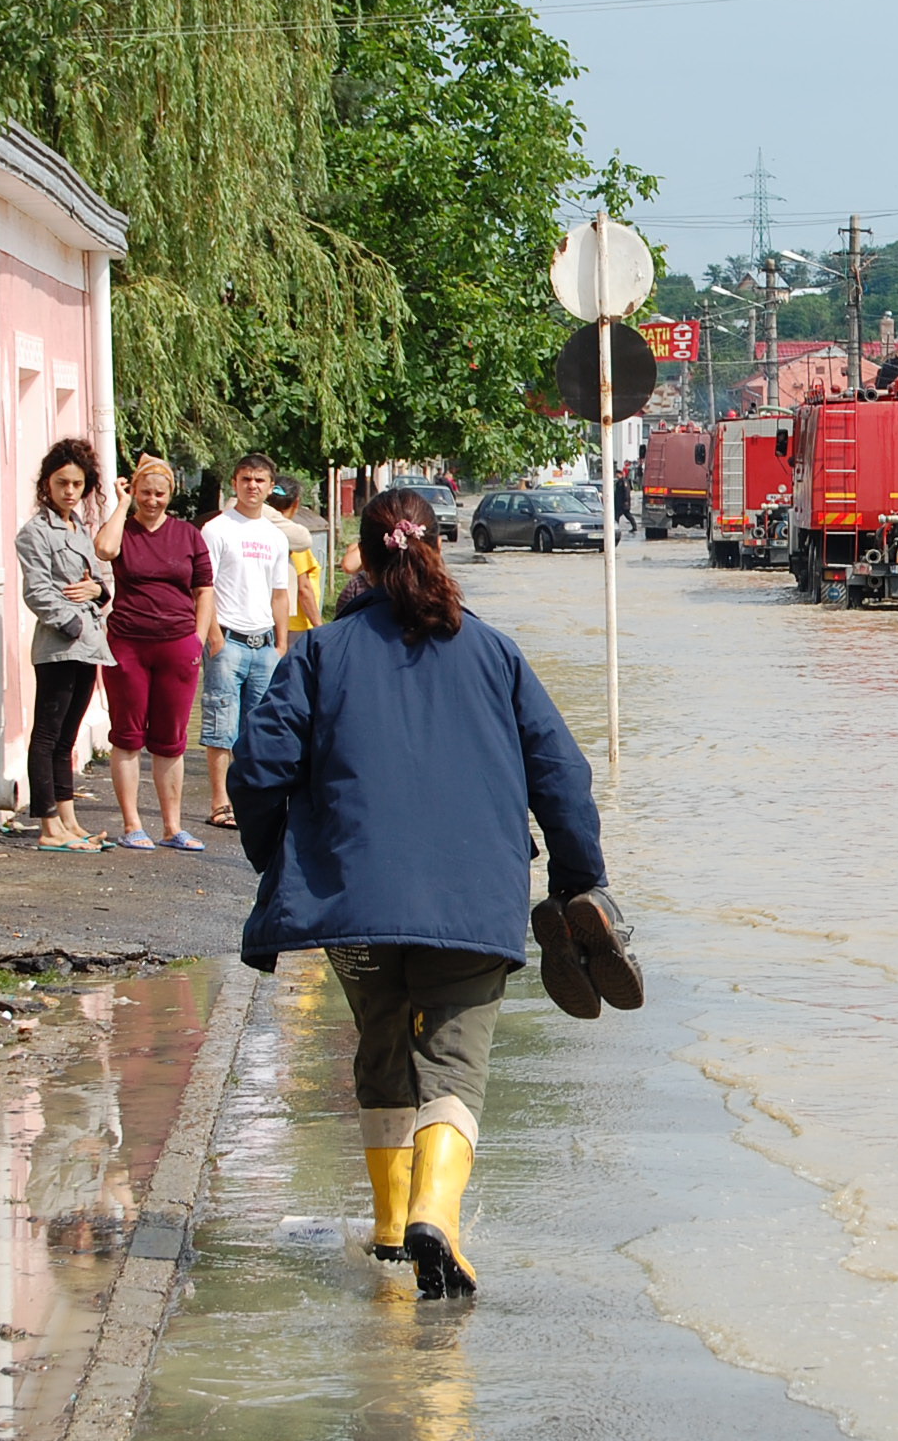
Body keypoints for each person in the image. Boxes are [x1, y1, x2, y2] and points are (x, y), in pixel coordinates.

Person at [230, 489, 633, 1300]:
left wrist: (282, 859)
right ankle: (435, 1219)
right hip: (471, 899)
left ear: (368, 562)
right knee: (453, 1064)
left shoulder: (319, 652)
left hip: (351, 901)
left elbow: (256, 769)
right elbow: (563, 776)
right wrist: (576, 881)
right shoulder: (496, 653)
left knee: (382, 1045)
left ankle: (387, 1230)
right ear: (438, 549)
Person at [94, 456, 215, 851]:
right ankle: (132, 824)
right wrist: (122, 503)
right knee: (127, 736)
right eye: (145, 492)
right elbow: (104, 550)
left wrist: (197, 638)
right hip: (128, 644)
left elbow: (204, 590)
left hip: (177, 644)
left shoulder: (188, 535)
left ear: (171, 494)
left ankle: (172, 826)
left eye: (160, 493)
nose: (153, 499)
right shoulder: (124, 530)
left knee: (171, 739)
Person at [15, 439, 116, 852]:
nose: (70, 491)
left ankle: (69, 821)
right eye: (62, 483)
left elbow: (103, 581)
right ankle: (48, 826)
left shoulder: (82, 530)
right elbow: (38, 591)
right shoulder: (35, 532)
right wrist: (73, 624)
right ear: (47, 484)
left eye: (78, 484)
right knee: (47, 734)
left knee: (67, 737)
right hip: (60, 646)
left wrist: (97, 590)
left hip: (91, 646)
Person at [199, 454, 293, 831]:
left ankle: (249, 799)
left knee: (258, 728)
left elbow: (280, 594)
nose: (253, 486)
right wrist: (215, 637)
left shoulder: (274, 535)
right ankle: (220, 800)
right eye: (246, 479)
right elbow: (205, 588)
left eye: (260, 480)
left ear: (271, 487)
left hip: (265, 643)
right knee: (222, 724)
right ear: (234, 483)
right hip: (228, 641)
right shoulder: (218, 529)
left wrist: (281, 644)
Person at [269, 476, 321, 636]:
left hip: (269, 620)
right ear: (296, 503)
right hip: (294, 626)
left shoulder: (263, 530)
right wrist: (319, 626)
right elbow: (304, 589)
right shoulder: (294, 539)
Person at [614, 468, 635, 536]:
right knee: (624, 515)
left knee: (623, 515)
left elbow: (626, 492)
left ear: (620, 474)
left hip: (623, 503)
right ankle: (634, 527)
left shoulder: (624, 481)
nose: (616, 475)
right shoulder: (619, 482)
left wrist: (626, 501)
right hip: (619, 503)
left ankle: (615, 528)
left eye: (617, 474)